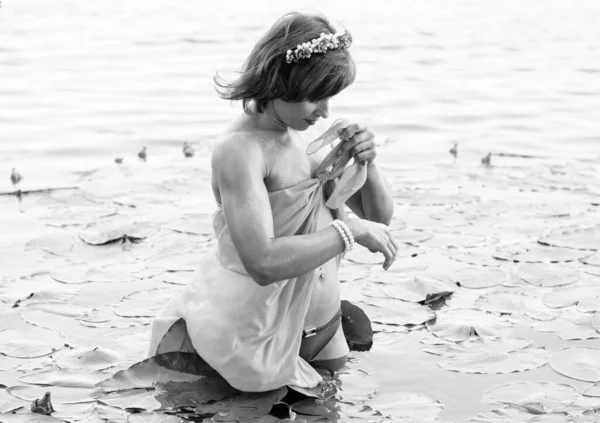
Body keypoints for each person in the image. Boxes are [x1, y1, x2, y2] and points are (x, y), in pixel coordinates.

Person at [148, 11, 398, 392]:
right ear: (280, 81)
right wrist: (349, 231)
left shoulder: (311, 137)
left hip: (326, 329)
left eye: (331, 96)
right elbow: (262, 262)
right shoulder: (241, 150)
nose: (326, 110)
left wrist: (368, 160)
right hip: (254, 339)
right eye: (316, 96)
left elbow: (379, 218)